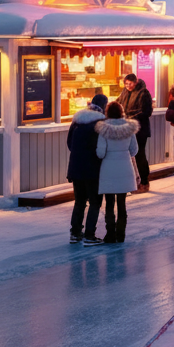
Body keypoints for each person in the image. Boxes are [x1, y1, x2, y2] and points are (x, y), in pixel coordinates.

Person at [96, 101, 139, 245]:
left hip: (108, 168)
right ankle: (121, 234)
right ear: (121, 112)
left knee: (109, 203)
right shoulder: (129, 129)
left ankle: (110, 234)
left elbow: (100, 153)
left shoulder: (104, 129)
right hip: (125, 167)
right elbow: (134, 150)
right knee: (122, 203)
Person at [67, 94, 107, 245]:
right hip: (92, 168)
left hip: (76, 167)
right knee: (95, 202)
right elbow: (102, 148)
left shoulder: (77, 121)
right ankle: (90, 235)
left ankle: (75, 233)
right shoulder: (100, 123)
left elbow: (70, 144)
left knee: (79, 201)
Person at [117, 73, 153, 192]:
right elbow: (119, 103)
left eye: (130, 83)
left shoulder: (144, 93)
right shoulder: (125, 92)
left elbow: (147, 111)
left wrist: (131, 116)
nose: (128, 86)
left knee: (139, 155)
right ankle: (134, 182)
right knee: (129, 156)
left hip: (140, 129)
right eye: (126, 84)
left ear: (136, 82)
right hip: (127, 128)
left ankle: (144, 182)